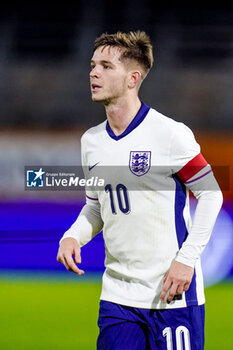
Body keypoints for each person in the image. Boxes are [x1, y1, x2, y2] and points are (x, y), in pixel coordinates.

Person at [57, 31, 223, 350]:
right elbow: (96, 206)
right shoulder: (91, 142)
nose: (93, 72)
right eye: (93, 65)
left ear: (133, 78)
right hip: (117, 299)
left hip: (172, 296)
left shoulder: (170, 134)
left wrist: (187, 259)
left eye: (106, 66)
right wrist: (72, 236)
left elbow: (211, 194)